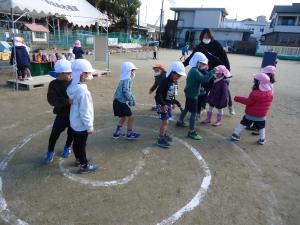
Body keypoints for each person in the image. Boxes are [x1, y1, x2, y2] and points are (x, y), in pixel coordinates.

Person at [183, 28, 235, 115]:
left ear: (211, 36)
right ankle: (203, 107)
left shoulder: (216, 44)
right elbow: (191, 57)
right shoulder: (200, 46)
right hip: (206, 70)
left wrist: (227, 69)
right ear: (202, 36)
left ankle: (230, 106)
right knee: (204, 88)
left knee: (224, 88)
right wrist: (182, 65)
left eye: (208, 36)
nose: (206, 37)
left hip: (218, 70)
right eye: (204, 36)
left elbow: (224, 56)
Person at [67, 59, 97, 173]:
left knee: (76, 142)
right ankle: (84, 165)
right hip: (81, 124)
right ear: (81, 74)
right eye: (87, 73)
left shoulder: (71, 87)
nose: (89, 75)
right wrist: (89, 126)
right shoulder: (83, 91)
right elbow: (85, 111)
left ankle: (78, 159)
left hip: (74, 122)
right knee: (81, 145)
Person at [176, 52, 215, 140]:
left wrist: (200, 89)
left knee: (186, 108)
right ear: (197, 62)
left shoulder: (193, 70)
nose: (204, 65)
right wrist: (212, 72)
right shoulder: (195, 71)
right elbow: (204, 79)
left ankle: (180, 121)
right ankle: (191, 131)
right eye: (202, 64)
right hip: (193, 95)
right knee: (193, 113)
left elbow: (197, 81)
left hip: (190, 93)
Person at [44, 59, 74, 163]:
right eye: (69, 73)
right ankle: (50, 151)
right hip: (61, 115)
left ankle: (67, 147)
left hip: (73, 114)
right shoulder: (53, 84)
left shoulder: (73, 82)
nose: (71, 75)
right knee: (54, 134)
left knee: (71, 133)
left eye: (71, 72)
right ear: (60, 74)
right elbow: (51, 100)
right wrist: (67, 101)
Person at [231, 73, 273, 145]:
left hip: (250, 114)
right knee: (261, 127)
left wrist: (237, 98)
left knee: (243, 123)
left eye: (255, 81)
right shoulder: (270, 92)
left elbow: (248, 102)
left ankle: (235, 134)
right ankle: (262, 139)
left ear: (258, 82)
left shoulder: (255, 93)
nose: (254, 82)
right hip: (261, 116)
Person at [155, 61, 186, 148]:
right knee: (165, 122)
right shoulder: (165, 81)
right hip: (163, 105)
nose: (179, 77)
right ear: (172, 73)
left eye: (180, 76)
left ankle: (164, 135)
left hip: (168, 104)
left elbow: (171, 94)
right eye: (178, 75)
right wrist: (163, 105)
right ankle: (160, 139)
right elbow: (158, 94)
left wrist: (173, 102)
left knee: (167, 121)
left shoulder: (174, 81)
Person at [112, 62, 140, 140]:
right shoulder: (127, 79)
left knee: (123, 117)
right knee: (131, 117)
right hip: (121, 103)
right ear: (129, 71)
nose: (134, 72)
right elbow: (126, 90)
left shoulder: (123, 79)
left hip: (117, 102)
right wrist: (131, 99)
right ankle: (129, 133)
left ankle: (117, 133)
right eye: (133, 70)